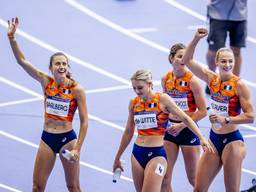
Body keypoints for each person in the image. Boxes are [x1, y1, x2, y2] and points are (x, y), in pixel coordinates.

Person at [8, 17, 88, 191]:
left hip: (68, 140)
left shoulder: (77, 89)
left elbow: (85, 122)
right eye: (57, 63)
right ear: (50, 67)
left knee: (73, 186)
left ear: (68, 67)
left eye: (64, 64)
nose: (61, 66)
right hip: (47, 138)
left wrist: (78, 149)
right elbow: (22, 61)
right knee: (37, 187)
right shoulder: (46, 82)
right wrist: (12, 39)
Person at [113, 69, 213, 192]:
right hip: (137, 153)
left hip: (156, 154)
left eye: (140, 88)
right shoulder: (133, 103)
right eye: (134, 88)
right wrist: (117, 157)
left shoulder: (162, 99)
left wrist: (202, 138)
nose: (137, 92)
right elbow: (128, 131)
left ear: (149, 84)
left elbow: (186, 118)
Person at [182, 28, 255, 192]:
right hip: (213, 139)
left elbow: (251, 117)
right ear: (216, 62)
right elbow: (186, 60)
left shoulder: (240, 85)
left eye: (230, 61)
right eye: (223, 61)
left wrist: (227, 119)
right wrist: (195, 39)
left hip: (232, 142)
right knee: (199, 189)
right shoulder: (211, 78)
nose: (227, 65)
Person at [161, 43, 207, 192]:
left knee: (194, 179)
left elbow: (203, 111)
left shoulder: (193, 81)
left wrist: (182, 125)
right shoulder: (165, 79)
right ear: (171, 58)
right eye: (180, 56)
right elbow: (165, 107)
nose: (183, 60)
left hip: (188, 131)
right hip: (170, 132)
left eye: (186, 57)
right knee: (165, 178)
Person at [205, 0, 247, 94]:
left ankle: (234, 84)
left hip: (239, 15)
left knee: (236, 51)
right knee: (214, 52)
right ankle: (211, 79)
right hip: (218, 14)